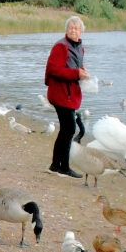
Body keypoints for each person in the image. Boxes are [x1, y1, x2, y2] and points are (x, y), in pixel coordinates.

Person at [44, 15, 90, 177]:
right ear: (66, 29)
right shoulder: (60, 47)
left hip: (70, 93)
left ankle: (57, 165)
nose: (73, 30)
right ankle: (61, 166)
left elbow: (77, 65)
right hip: (60, 93)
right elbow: (54, 70)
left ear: (81, 31)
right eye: (70, 27)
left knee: (67, 129)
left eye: (76, 28)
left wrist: (83, 73)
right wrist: (76, 73)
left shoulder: (79, 46)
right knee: (69, 128)